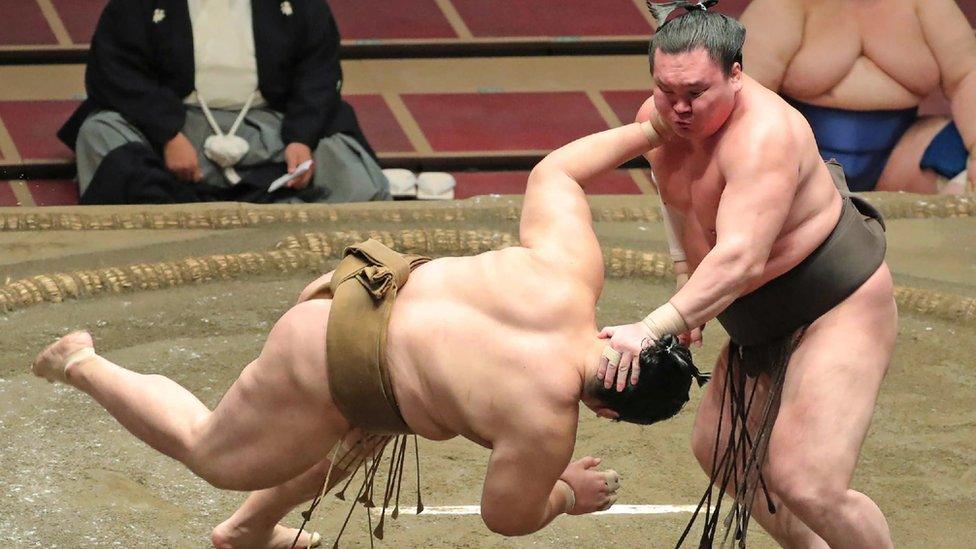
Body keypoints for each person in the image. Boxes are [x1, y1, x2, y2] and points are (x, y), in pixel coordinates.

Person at [30, 121, 707, 548]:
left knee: (364, 434)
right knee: (211, 453)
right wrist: (565, 494)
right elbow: (507, 513)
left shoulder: (570, 274)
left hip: (358, 289)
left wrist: (650, 129)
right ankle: (82, 361)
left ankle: (248, 529)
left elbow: (553, 172)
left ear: (626, 334)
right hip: (328, 361)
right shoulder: (545, 427)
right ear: (610, 411)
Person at [599, 2, 896, 547]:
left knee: (810, 482)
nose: (680, 107)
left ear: (736, 73)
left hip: (833, 301)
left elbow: (740, 258)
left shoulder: (764, 135)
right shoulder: (658, 119)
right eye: (668, 91)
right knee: (717, 448)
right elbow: (677, 204)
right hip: (757, 315)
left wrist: (655, 324)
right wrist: (686, 283)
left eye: (696, 92)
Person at [58, 0, 390, 205]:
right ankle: (171, 214)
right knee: (99, 131)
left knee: (348, 161)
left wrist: (301, 139)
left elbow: (318, 71)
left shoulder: (297, 3)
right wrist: (167, 136)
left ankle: (284, 217)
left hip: (267, 132)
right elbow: (113, 70)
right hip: (176, 131)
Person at [739, 0, 976, 195]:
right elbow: (744, 89)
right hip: (803, 159)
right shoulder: (783, 6)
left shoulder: (929, 5)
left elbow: (967, 74)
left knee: (960, 169)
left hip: (902, 154)